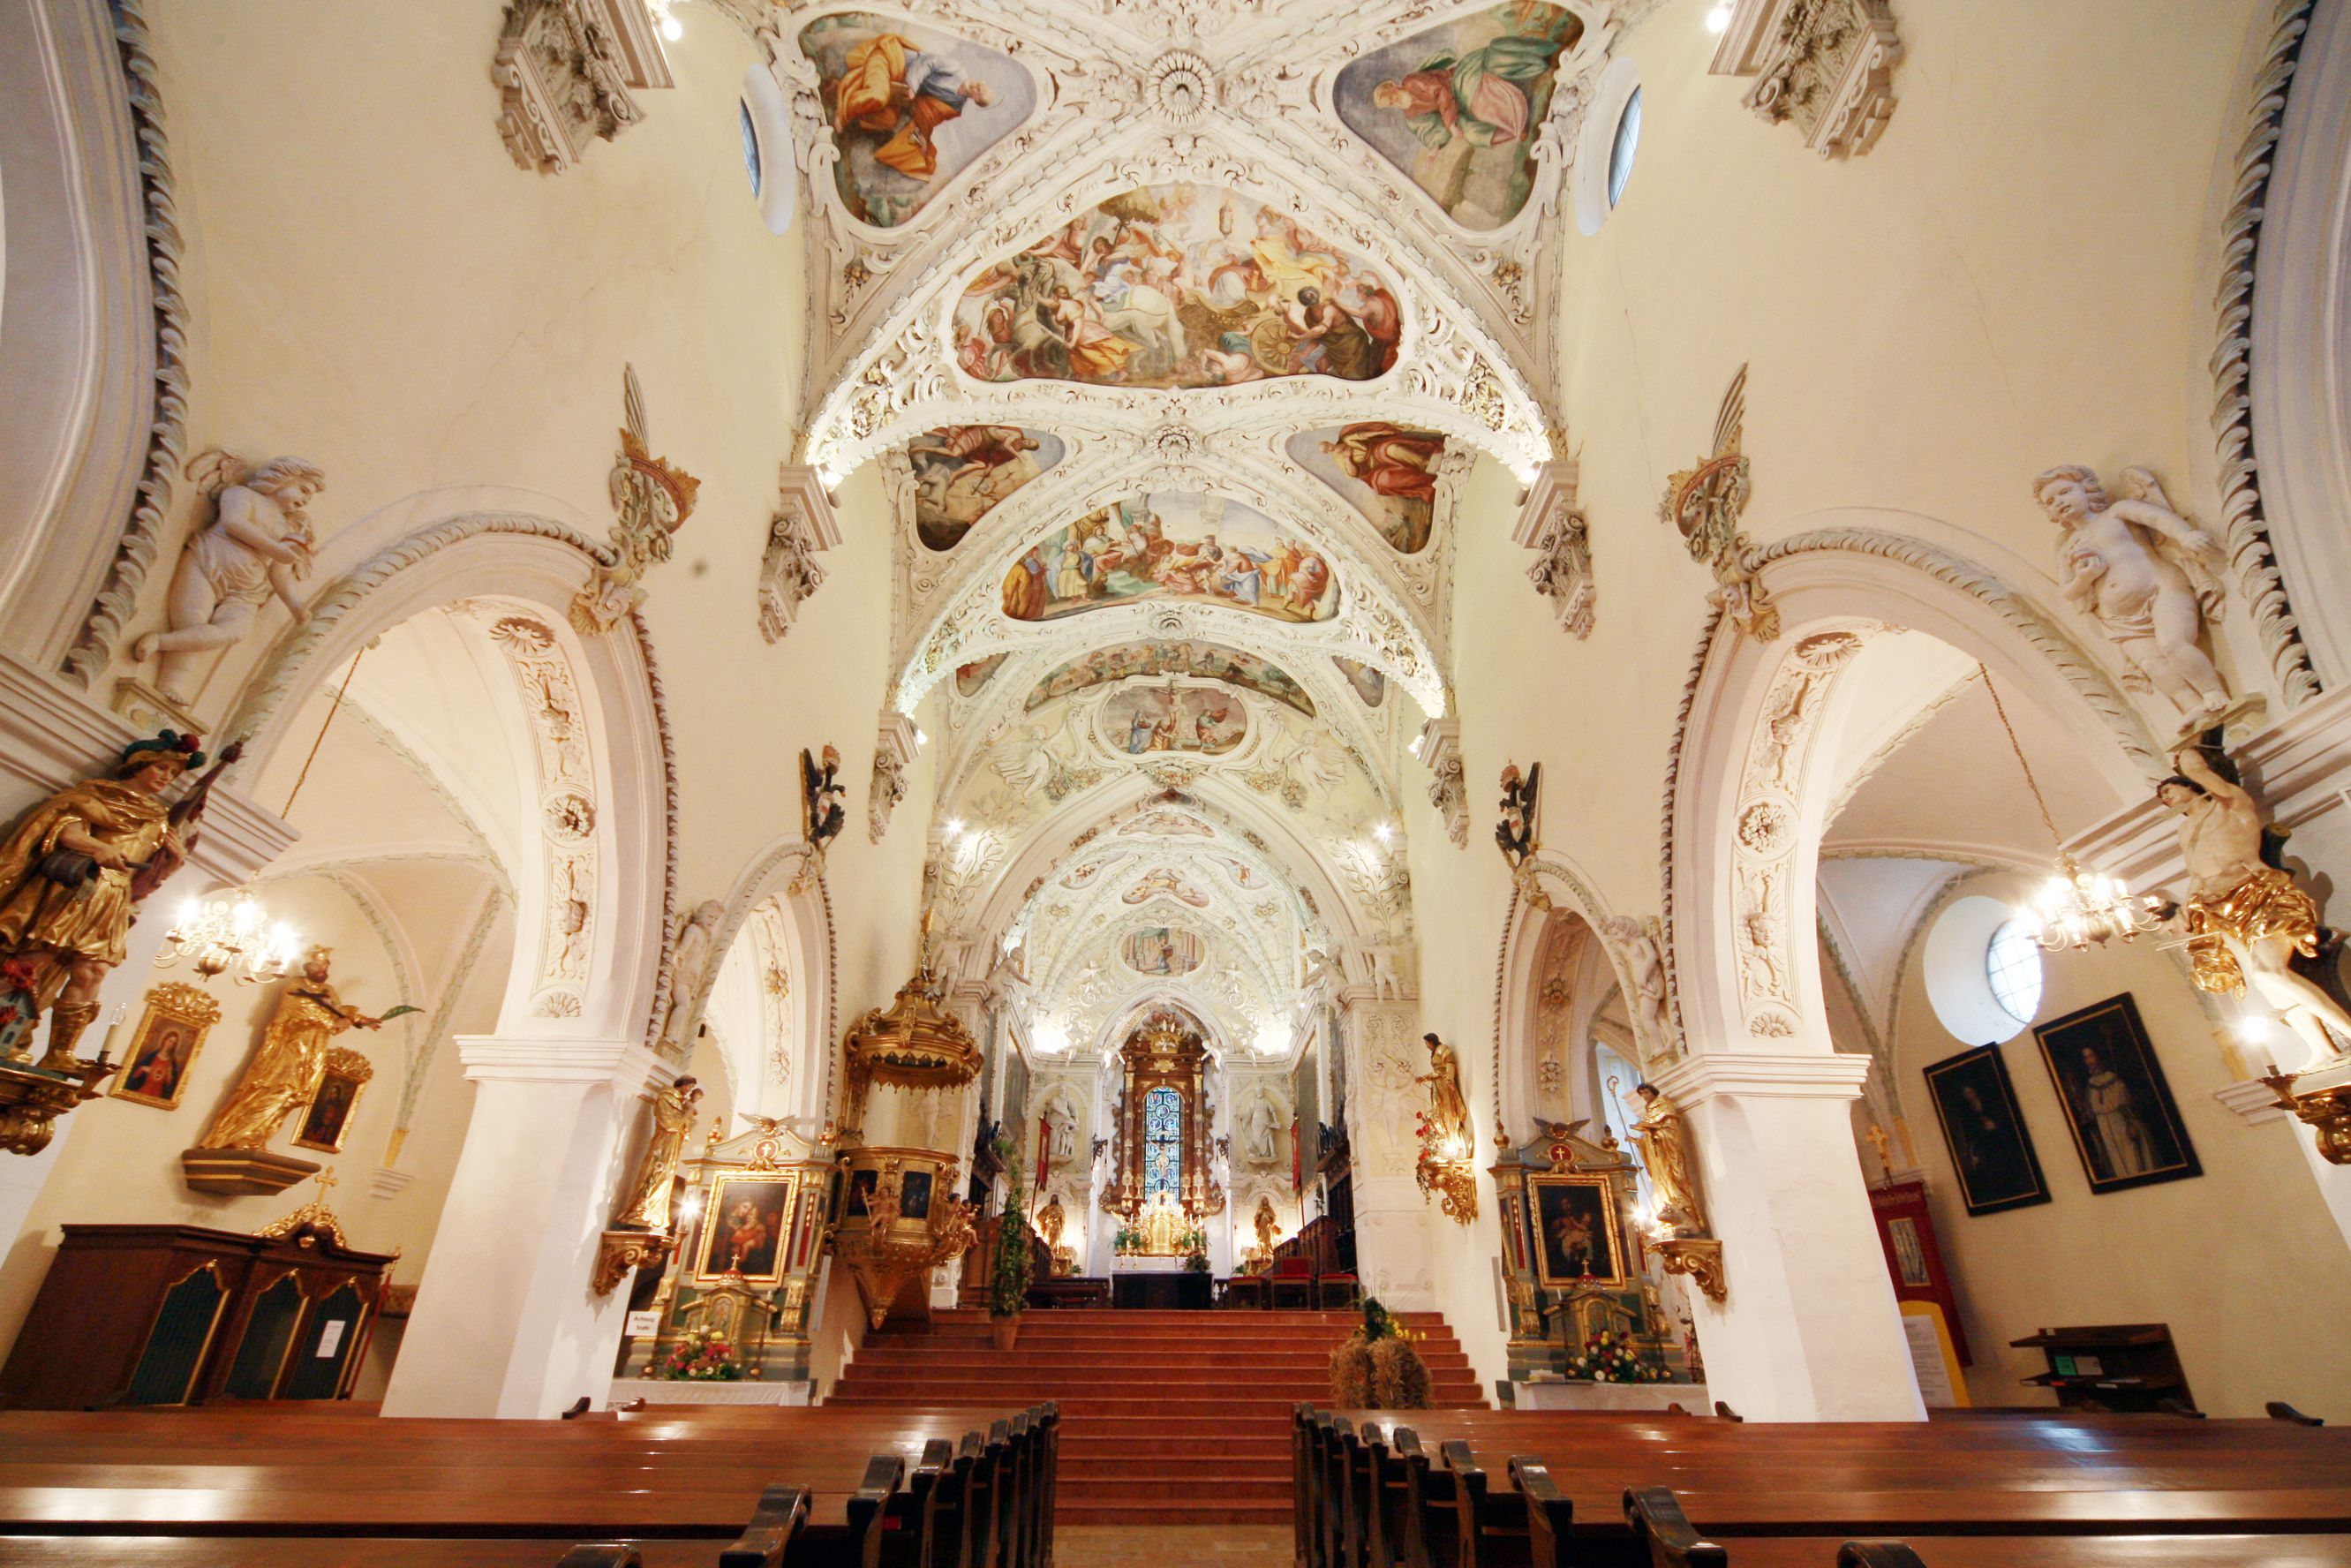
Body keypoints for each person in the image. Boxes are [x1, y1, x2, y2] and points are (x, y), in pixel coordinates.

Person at [0, 732, 200, 1065]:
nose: (166, 778)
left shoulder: (159, 819)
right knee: (36, 962)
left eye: (173, 775)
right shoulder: (96, 796)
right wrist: (100, 848)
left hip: (114, 895)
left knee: (92, 972)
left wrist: (174, 862)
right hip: (79, 886)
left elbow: (149, 874)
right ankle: (13, 1037)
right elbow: (66, 831)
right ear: (139, 765)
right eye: (161, 768)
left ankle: (60, 1053)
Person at [2163, 745, 2351, 1067]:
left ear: (2191, 785)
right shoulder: (2185, 830)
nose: (2165, 796)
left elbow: (2204, 775)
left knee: (2270, 972)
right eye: (2161, 794)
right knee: (2265, 984)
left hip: (2258, 894)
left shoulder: (2229, 804)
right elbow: (2196, 873)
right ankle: (2321, 1047)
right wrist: (2185, 910)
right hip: (2217, 908)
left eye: (2169, 788)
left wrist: (2189, 759)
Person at [199, 946, 382, 1150]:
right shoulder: (295, 986)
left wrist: (360, 1020)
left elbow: (338, 1010)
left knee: (292, 1096)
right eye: (316, 964)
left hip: (313, 1050)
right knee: (277, 1088)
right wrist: (328, 1024)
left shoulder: (328, 991)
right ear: (308, 966)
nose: (321, 969)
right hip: (291, 1045)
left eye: (324, 965)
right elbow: (293, 1016)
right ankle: (239, 1135)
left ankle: (257, 1138)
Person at [829, 33, 996, 183]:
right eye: (979, 84)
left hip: (896, 86)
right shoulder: (956, 69)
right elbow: (927, 63)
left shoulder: (956, 103)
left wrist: (923, 139)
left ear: (975, 99)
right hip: (891, 61)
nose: (975, 86)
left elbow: (929, 116)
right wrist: (913, 86)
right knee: (878, 95)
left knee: (888, 120)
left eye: (978, 91)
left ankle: (847, 91)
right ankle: (842, 112)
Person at [2077, 1046, 2159, 1179]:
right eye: (2086, 1058)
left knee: (2130, 1154)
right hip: (2104, 1125)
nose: (2089, 1061)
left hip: (2119, 1120)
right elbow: (2092, 1109)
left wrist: (2128, 1121)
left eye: (2091, 1056)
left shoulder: (2112, 1077)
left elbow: (2124, 1101)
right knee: (2116, 1157)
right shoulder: (2089, 1084)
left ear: (2098, 1056)